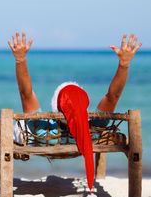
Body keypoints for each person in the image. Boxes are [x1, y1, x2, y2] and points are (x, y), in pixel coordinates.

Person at [8, 32, 142, 144]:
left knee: (20, 127)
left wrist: (20, 60)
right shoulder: (92, 132)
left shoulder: (41, 131)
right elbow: (113, 96)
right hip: (83, 141)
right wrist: (124, 64)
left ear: (55, 106)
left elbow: (26, 94)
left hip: (43, 140)